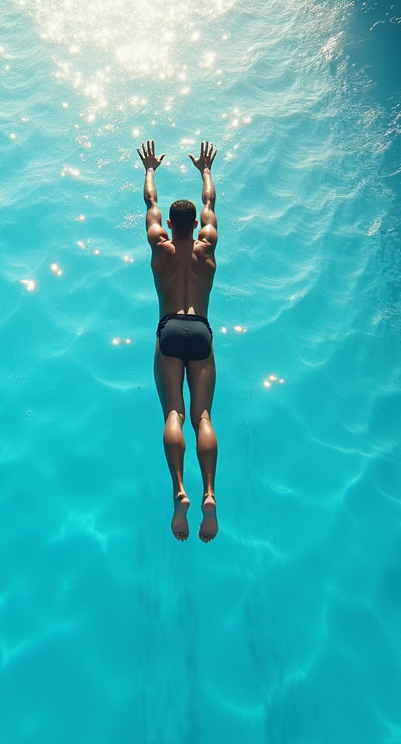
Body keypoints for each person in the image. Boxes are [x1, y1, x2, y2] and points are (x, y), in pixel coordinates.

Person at [138, 139, 219, 542]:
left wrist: (150, 169)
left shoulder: (160, 248)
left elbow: (149, 203)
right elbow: (211, 205)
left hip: (168, 329)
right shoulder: (208, 247)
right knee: (204, 416)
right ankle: (208, 493)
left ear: (170, 225)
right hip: (200, 330)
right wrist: (205, 170)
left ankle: (180, 492)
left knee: (175, 414)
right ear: (196, 226)